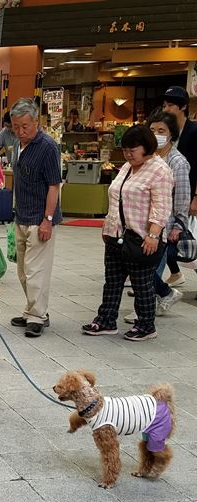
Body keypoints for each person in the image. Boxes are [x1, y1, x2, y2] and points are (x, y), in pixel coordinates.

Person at [82, 125, 173, 341]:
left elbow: (161, 206)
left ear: (147, 147)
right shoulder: (127, 167)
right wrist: (107, 226)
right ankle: (106, 320)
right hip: (116, 234)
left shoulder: (159, 170)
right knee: (112, 280)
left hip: (141, 237)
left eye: (133, 149)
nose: (128, 154)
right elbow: (116, 197)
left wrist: (153, 234)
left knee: (142, 283)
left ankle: (146, 325)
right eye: (125, 150)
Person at [124, 111, 189, 323]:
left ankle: (144, 310)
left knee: (148, 270)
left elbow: (181, 196)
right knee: (141, 269)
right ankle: (164, 294)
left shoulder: (177, 162)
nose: (156, 134)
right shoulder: (146, 157)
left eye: (162, 131)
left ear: (172, 135)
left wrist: (178, 225)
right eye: (152, 130)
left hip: (162, 226)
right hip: (138, 224)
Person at [10, 98, 62, 338]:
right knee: (23, 271)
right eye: (16, 127)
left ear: (36, 123)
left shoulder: (48, 146)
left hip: (40, 218)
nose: (20, 131)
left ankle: (38, 316)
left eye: (25, 127)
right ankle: (33, 309)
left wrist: (47, 219)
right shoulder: (17, 145)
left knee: (35, 271)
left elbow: (54, 185)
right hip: (21, 216)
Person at [161, 86, 197, 287]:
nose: (166, 109)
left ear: (183, 106)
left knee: (188, 237)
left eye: (171, 105)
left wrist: (195, 197)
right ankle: (173, 274)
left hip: (188, 192)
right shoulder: (168, 132)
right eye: (164, 105)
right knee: (168, 236)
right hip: (168, 193)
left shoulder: (193, 132)